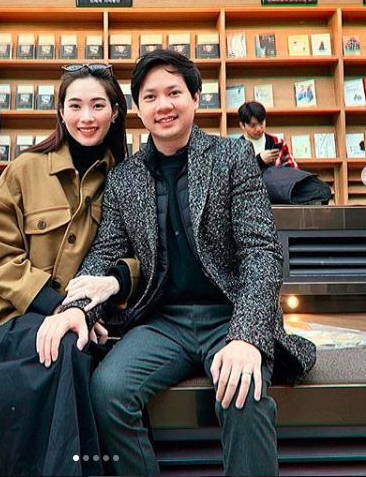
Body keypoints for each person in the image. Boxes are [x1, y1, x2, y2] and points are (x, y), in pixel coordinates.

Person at [43, 49, 316, 476]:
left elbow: (261, 252)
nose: (163, 105)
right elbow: (105, 252)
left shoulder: (232, 158)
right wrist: (77, 307)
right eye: (150, 97)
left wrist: (247, 336)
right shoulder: (125, 177)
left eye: (173, 92)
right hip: (162, 321)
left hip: (228, 313)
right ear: (138, 108)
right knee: (108, 390)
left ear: (195, 98)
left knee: (244, 392)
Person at [0, 64, 132, 476]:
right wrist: (61, 308)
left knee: (77, 353)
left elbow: (136, 256)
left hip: (88, 318)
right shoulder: (25, 169)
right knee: (68, 350)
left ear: (115, 111)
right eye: (75, 105)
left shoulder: (125, 178)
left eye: (98, 105)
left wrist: (88, 310)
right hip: (15, 316)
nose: (86, 117)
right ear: (60, 112)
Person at [238, 101, 298, 171]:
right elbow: (235, 175)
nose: (259, 129)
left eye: (261, 123)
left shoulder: (278, 142)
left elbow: (293, 171)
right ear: (242, 125)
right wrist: (259, 160)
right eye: (253, 126)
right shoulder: (236, 148)